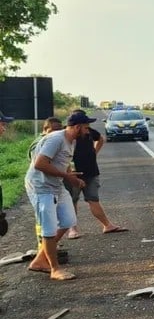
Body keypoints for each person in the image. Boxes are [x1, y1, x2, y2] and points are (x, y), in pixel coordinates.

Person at [25, 111, 97, 280]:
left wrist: (72, 177)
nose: (88, 132)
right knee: (49, 229)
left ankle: (39, 260)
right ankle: (54, 269)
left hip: (56, 185)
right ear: (77, 127)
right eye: (86, 128)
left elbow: (63, 162)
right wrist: (67, 177)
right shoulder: (56, 139)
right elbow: (40, 164)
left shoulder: (71, 141)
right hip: (41, 187)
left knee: (68, 221)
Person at [64, 109, 126, 238]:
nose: (88, 129)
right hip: (73, 174)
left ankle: (107, 225)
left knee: (93, 199)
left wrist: (94, 152)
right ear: (77, 126)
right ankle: (72, 229)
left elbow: (100, 139)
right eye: (86, 125)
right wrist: (69, 171)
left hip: (91, 171)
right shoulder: (66, 136)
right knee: (72, 201)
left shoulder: (90, 132)